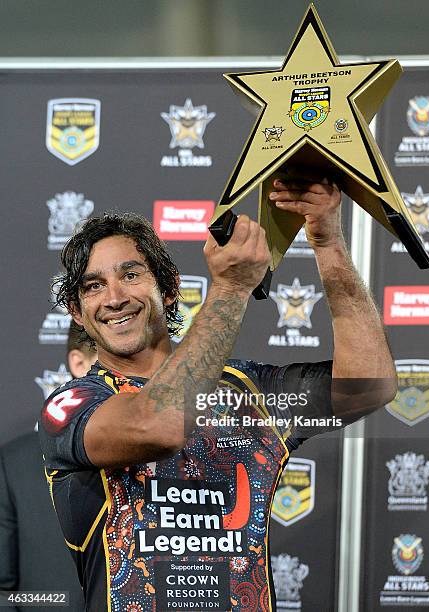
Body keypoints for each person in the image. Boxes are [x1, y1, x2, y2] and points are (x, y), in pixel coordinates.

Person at [38, 175, 397, 612]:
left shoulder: (251, 393)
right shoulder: (71, 406)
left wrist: (327, 241)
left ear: (169, 289)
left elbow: (371, 385)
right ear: (77, 312)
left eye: (131, 275)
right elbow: (160, 423)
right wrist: (230, 287)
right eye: (93, 286)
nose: (114, 298)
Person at [0, 321, 96, 612]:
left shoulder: (180, 464)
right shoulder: (16, 463)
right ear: (79, 364)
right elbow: (4, 595)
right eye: (118, 365)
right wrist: (52, 603)